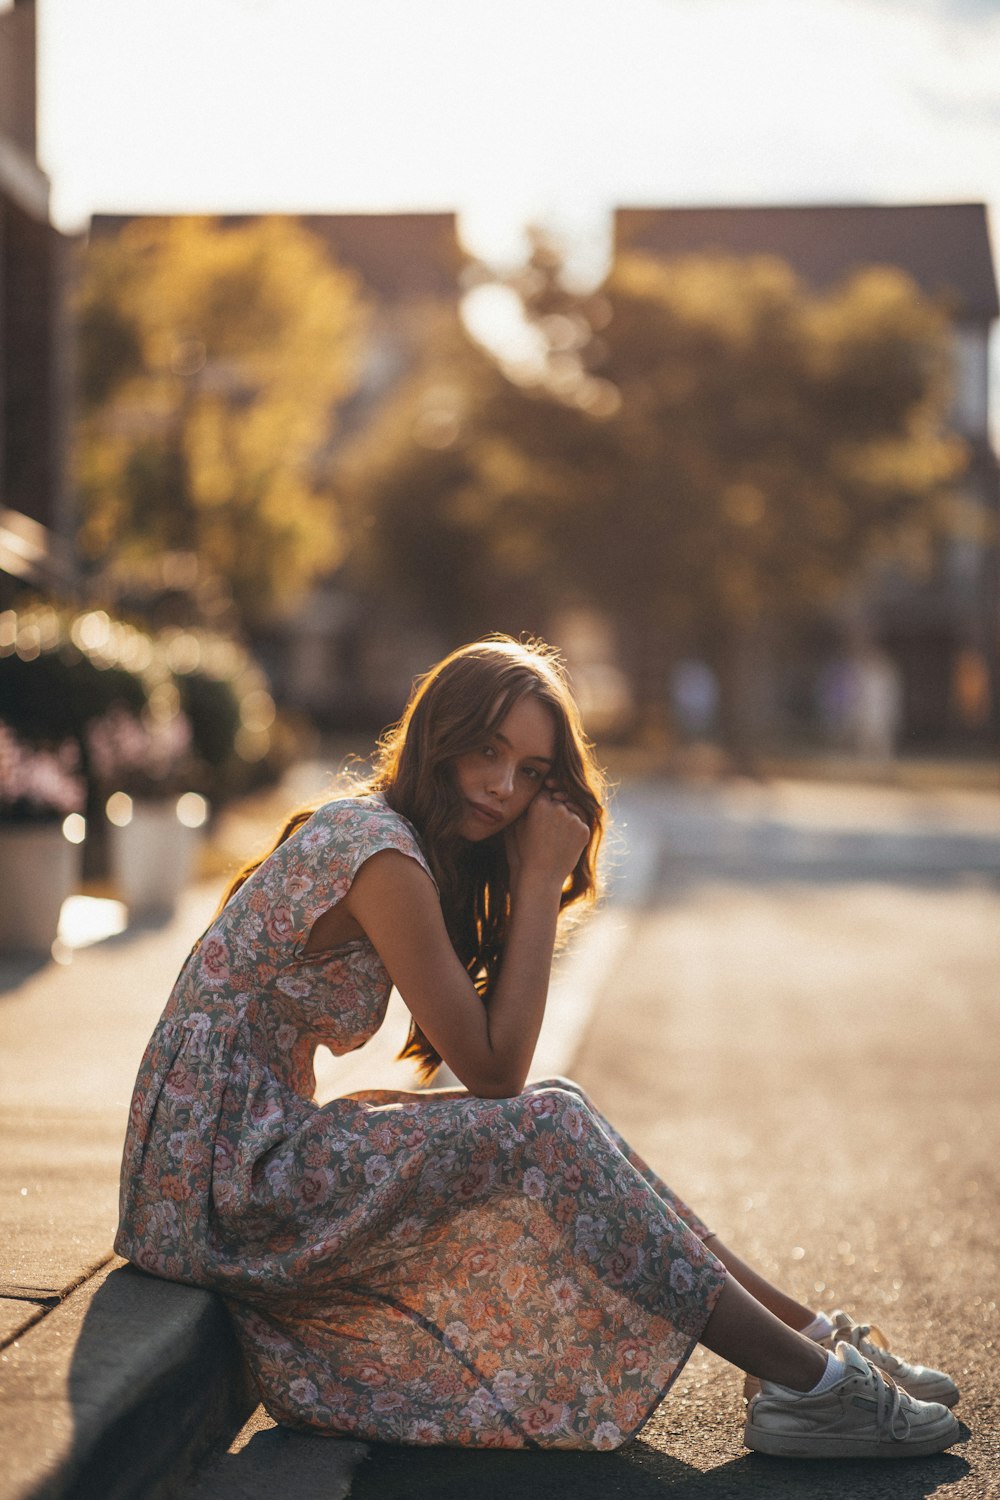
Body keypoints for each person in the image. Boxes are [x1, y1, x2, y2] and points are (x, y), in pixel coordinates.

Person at [116, 636, 960, 1458]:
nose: (503, 788)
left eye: (530, 773)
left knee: (560, 1108)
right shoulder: (374, 853)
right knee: (543, 1124)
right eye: (487, 751)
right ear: (438, 736)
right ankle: (813, 1385)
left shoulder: (385, 838)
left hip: (227, 1160)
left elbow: (505, 1076)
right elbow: (492, 1072)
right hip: (217, 1181)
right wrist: (536, 882)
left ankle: (806, 1342)